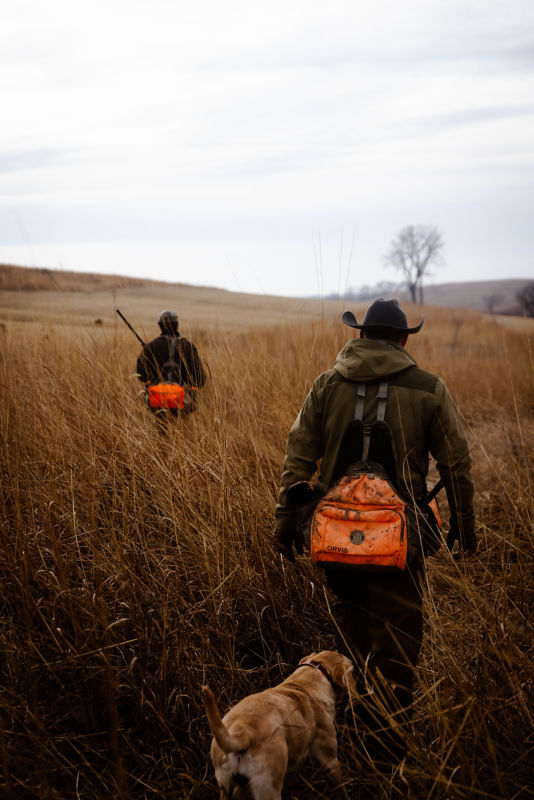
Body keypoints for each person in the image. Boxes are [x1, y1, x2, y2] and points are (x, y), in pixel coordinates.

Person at [273, 298, 476, 769]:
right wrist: (466, 535)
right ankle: (386, 753)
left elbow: (296, 459)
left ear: (361, 335)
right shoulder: (429, 389)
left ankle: (355, 737)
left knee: (352, 641)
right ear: (404, 340)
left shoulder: (327, 385)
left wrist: (286, 525)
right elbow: (458, 466)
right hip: (399, 547)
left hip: (332, 541)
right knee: (399, 645)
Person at [136, 310, 206, 412]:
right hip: (183, 402)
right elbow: (200, 380)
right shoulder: (188, 347)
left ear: (159, 325)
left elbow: (141, 373)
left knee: (159, 426)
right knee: (182, 427)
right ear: (177, 324)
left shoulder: (151, 347)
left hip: (157, 402)